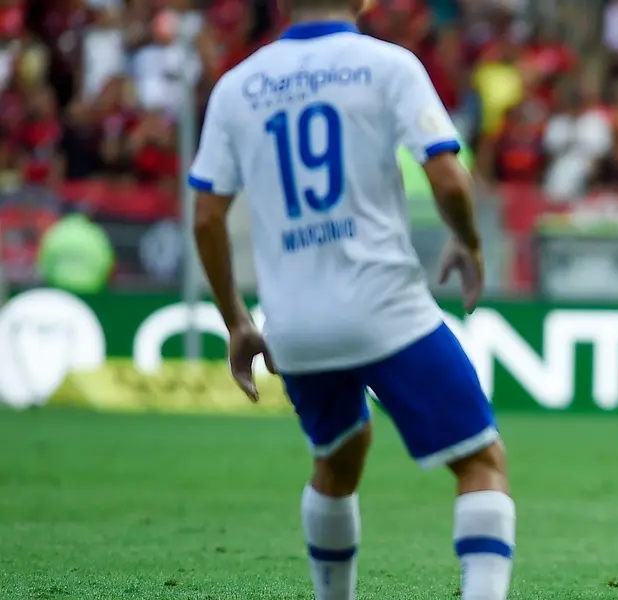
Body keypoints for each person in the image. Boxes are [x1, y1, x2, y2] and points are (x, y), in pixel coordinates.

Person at [186, 2, 514, 600]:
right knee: (481, 460)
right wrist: (467, 242)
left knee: (339, 458)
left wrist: (237, 321)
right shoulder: (388, 66)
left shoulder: (236, 87)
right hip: (385, 309)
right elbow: (446, 175)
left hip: (294, 326)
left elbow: (207, 218)